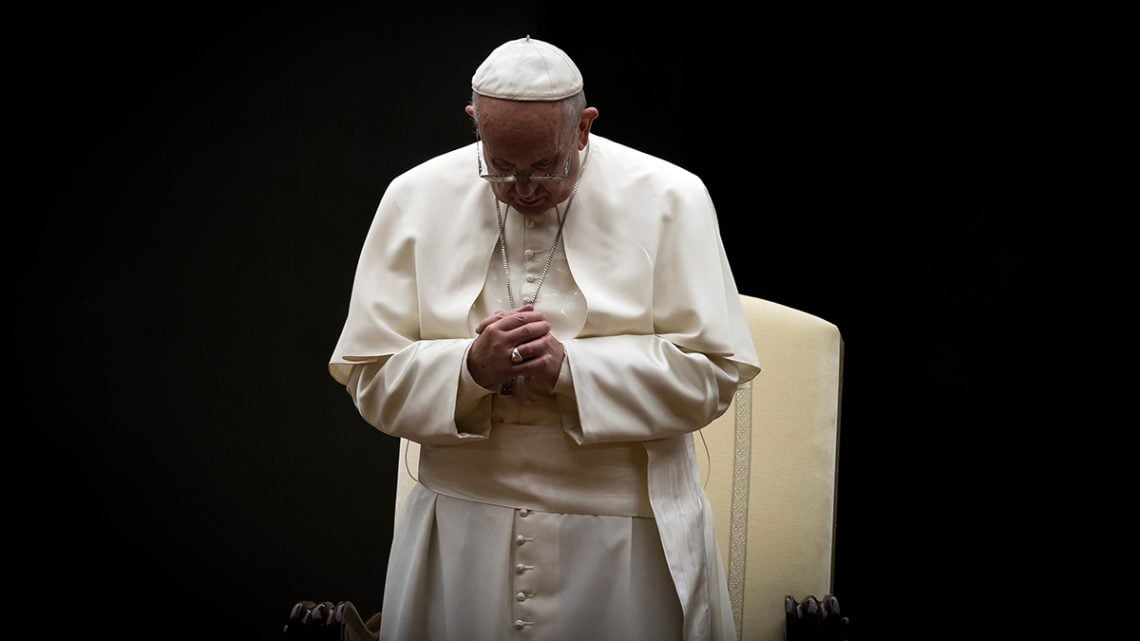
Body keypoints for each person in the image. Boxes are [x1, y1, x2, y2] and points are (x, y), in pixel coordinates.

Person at [329, 35, 761, 641]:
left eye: (546, 166)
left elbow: (712, 376)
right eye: (500, 166)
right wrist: (469, 370)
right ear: (473, 124)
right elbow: (371, 381)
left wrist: (569, 371)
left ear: (584, 128)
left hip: (623, 529)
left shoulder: (672, 197)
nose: (523, 188)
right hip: (459, 529)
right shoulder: (413, 196)